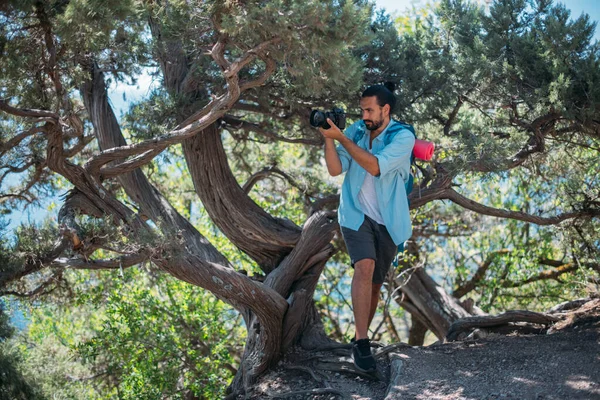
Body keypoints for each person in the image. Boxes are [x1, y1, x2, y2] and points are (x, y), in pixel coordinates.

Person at [320, 83, 415, 373]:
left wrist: (342, 139)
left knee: (375, 283)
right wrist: (328, 139)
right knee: (364, 266)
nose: (364, 115)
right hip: (355, 214)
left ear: (386, 110)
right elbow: (336, 170)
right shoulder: (356, 132)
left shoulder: (403, 136)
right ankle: (361, 343)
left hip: (389, 222)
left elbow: (375, 166)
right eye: (362, 109)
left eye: (369, 110)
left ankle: (361, 336)